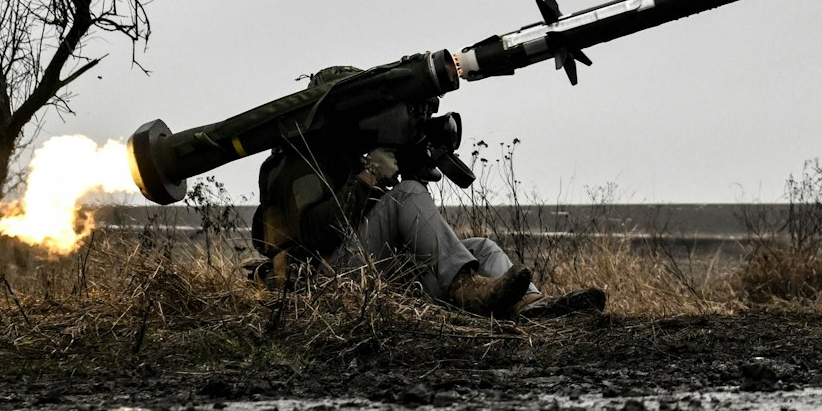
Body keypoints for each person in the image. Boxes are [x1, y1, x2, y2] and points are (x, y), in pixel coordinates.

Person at [257, 141, 603, 321]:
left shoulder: (343, 157)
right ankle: (465, 287)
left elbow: (377, 222)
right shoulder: (298, 165)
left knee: (481, 248)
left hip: (370, 275)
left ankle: (533, 309)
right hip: (324, 283)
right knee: (407, 193)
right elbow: (317, 231)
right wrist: (370, 177)